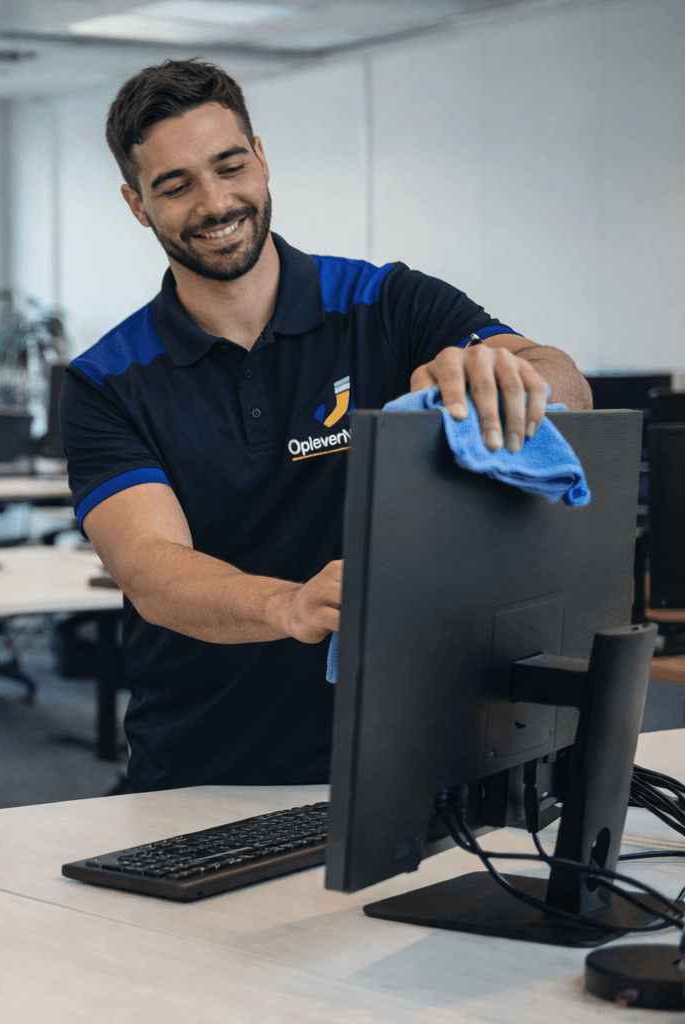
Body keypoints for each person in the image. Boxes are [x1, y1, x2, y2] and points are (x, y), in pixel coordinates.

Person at [60, 60, 591, 793]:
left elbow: (564, 382)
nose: (216, 203)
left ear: (262, 158)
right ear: (137, 204)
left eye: (230, 165)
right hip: (209, 771)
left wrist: (518, 382)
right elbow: (151, 566)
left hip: (417, 751)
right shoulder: (106, 379)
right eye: (176, 185)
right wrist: (290, 604)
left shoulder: (386, 303)